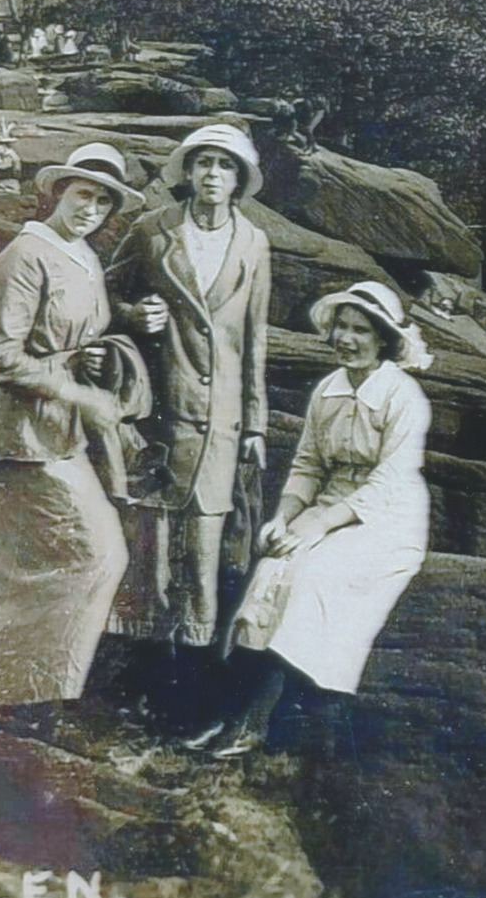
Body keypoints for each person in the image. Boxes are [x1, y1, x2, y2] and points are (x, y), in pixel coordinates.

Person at [201, 280, 432, 757]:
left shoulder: (405, 397)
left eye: (361, 331)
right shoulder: (329, 389)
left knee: (309, 577)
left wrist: (319, 526)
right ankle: (230, 715)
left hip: (387, 520)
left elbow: (390, 481)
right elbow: (308, 465)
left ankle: (257, 722)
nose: (347, 339)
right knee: (271, 569)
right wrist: (285, 518)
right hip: (330, 505)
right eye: (342, 328)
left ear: (383, 340)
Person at [0, 145, 148, 731]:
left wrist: (113, 337)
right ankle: (27, 698)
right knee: (90, 555)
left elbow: (77, 331)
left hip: (62, 434)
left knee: (47, 561)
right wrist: (75, 391)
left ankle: (28, 696)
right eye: (82, 195)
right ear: (58, 193)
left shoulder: (85, 257)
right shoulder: (24, 255)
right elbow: (0, 357)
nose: (91, 208)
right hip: (24, 432)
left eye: (103, 200)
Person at [105, 123, 272, 658]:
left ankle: (192, 670)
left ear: (240, 179)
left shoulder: (254, 243)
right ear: (188, 171)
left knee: (206, 541)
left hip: (222, 416)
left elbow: (256, 337)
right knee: (151, 538)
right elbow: (104, 286)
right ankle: (140, 668)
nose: (213, 175)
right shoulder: (154, 230)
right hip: (161, 407)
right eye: (204, 163)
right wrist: (133, 314)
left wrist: (256, 423)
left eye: (225, 166)